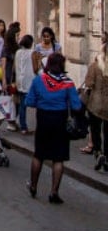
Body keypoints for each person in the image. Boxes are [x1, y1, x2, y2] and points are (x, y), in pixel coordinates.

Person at [25, 53, 82, 204]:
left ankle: (33, 186)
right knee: (58, 158)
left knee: (39, 155)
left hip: (43, 119)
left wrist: (43, 102)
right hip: (60, 121)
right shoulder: (68, 83)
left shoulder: (38, 80)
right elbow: (76, 106)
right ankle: (54, 192)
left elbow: (29, 101)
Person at [83, 33, 108, 170]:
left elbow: (89, 83)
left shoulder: (95, 66)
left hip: (95, 104)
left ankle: (98, 152)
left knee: (95, 130)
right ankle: (107, 156)